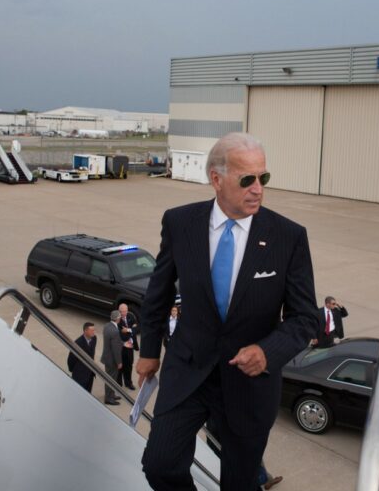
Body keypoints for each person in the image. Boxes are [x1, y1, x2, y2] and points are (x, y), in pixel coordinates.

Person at [136, 132, 318, 491]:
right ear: (216, 180)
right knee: (159, 465)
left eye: (263, 178)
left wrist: (268, 352)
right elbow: (157, 292)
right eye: (246, 179)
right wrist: (147, 352)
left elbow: (305, 318)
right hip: (189, 370)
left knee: (239, 483)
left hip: (249, 383)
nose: (258, 189)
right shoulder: (179, 223)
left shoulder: (288, 237)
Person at [101, 310, 124, 405]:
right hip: (112, 360)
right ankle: (109, 398)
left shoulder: (107, 326)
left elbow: (111, 342)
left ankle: (111, 394)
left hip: (107, 357)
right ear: (118, 319)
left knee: (110, 378)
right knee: (111, 379)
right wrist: (119, 362)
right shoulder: (115, 331)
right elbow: (115, 349)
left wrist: (122, 343)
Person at [67, 322, 97, 393]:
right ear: (85, 331)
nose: (94, 332)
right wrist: (75, 371)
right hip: (80, 375)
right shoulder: (78, 343)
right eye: (91, 330)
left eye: (94, 330)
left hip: (90, 373)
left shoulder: (94, 338)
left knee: (88, 393)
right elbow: (71, 360)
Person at [118, 303, 139, 390]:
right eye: (122, 312)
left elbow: (138, 328)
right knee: (120, 366)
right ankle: (118, 384)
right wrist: (132, 331)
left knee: (129, 365)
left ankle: (128, 382)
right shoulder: (117, 319)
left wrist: (128, 330)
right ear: (119, 311)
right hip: (121, 347)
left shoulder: (130, 316)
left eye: (125, 311)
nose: (124, 313)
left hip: (130, 346)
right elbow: (120, 335)